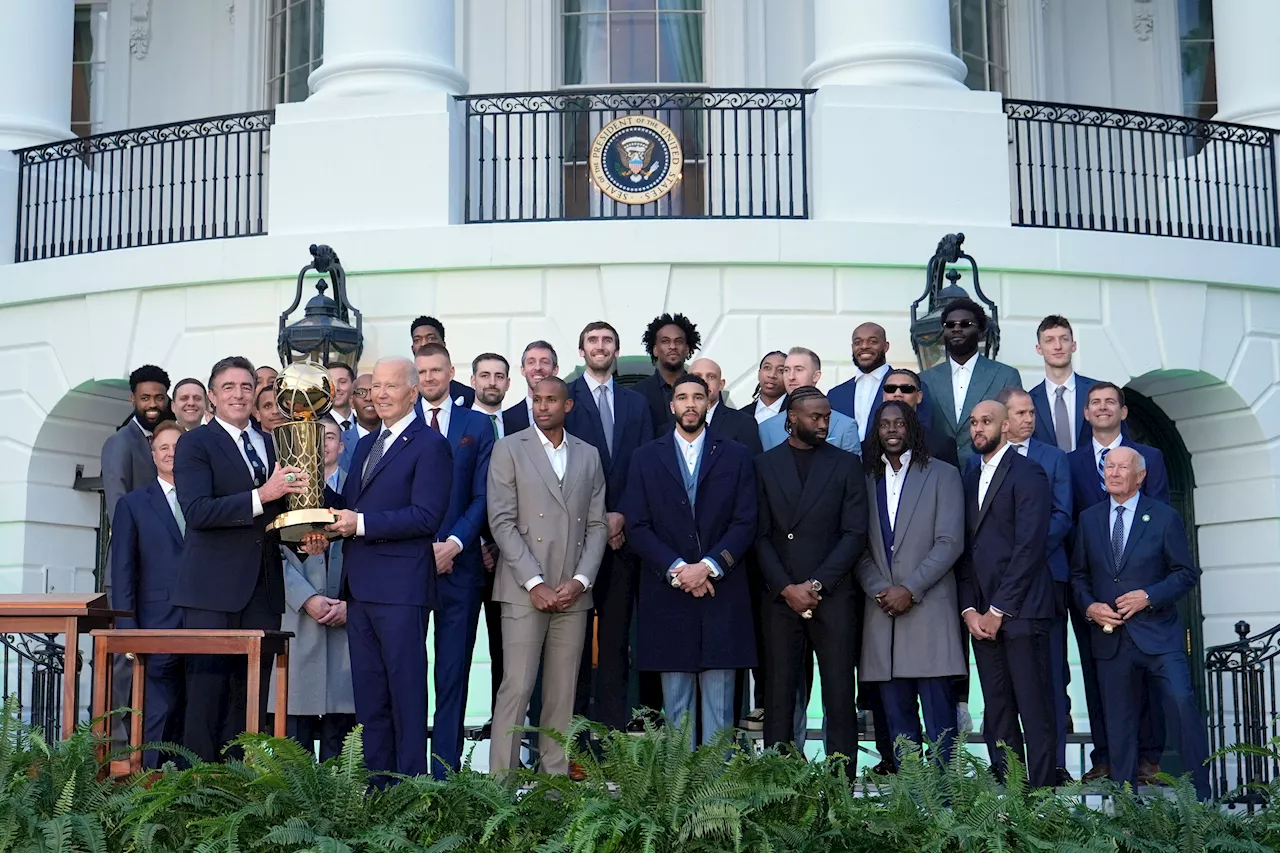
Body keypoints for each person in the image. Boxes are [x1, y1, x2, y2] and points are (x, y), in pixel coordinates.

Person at [172, 356, 308, 763]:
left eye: (246, 387)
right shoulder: (195, 443)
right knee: (206, 695)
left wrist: (308, 537)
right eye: (228, 387)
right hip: (211, 592)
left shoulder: (272, 442)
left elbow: (282, 513)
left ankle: (243, 787)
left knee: (250, 696)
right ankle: (198, 786)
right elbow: (196, 511)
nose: (238, 394)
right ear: (212, 396)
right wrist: (260, 495)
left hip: (263, 589)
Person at [324, 355, 453, 779]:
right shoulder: (364, 444)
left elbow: (425, 517)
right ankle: (378, 790)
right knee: (371, 700)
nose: (379, 394)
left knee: (406, 697)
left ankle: (412, 792)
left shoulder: (431, 445)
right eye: (374, 386)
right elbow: (351, 508)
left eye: (390, 386)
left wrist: (357, 524)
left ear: (412, 393)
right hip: (360, 589)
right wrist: (318, 511)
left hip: (401, 591)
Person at [624, 374, 758, 746]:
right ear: (672, 406)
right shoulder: (646, 457)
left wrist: (710, 566)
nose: (690, 404)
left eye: (698, 397)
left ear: (709, 401)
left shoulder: (735, 454)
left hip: (721, 592)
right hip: (668, 594)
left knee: (720, 706)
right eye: (682, 397)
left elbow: (746, 520)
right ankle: (681, 793)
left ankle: (717, 796)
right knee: (677, 707)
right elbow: (637, 524)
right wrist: (678, 570)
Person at [1070, 446, 1210, 800]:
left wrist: (1148, 595)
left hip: (1159, 634)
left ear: (1141, 476)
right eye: (1109, 466)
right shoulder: (1089, 518)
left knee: (1181, 703)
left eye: (1122, 467)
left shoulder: (1163, 516)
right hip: (1111, 637)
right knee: (1119, 723)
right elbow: (1078, 576)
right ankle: (1124, 805)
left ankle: (1202, 795)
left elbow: (1185, 574)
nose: (1114, 473)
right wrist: (1090, 607)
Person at [486, 376, 607, 776]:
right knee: (516, 689)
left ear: (567, 406)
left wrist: (581, 580)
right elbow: (501, 521)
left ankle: (553, 789)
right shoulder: (508, 448)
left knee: (561, 695)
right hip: (524, 590)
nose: (542, 406)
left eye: (551, 399)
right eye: (536, 399)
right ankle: (498, 789)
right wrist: (534, 583)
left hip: (573, 593)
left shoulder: (588, 454)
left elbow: (597, 525)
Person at [754, 386, 866, 759]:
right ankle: (778, 785)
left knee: (838, 695)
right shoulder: (765, 465)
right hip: (780, 598)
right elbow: (759, 535)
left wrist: (815, 583)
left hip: (832, 595)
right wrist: (787, 587)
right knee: (779, 694)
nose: (823, 424)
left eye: (827, 417)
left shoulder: (846, 464)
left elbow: (855, 533)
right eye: (815, 417)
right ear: (792, 418)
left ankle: (841, 788)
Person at [969, 388, 1074, 781]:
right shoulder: (970, 472)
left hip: (1024, 609)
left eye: (988, 421)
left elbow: (1030, 545)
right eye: (975, 422)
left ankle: (1043, 789)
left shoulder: (1030, 472)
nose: (979, 428)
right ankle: (1009, 784)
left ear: (1008, 425)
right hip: (981, 615)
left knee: (1035, 706)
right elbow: (967, 547)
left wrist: (999, 609)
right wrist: (971, 609)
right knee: (997, 705)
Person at [1067, 381, 1170, 783]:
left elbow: (1162, 520)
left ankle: (1149, 758)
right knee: (1097, 674)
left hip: (1142, 591)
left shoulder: (1152, 458)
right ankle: (1106, 756)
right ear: (1086, 414)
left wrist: (1149, 591)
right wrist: (1089, 597)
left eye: (1111, 401)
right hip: (1093, 591)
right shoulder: (1072, 463)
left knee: (1148, 673)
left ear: (1123, 412)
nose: (1103, 407)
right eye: (1095, 403)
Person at [856, 401, 965, 766]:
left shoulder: (944, 475)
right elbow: (855, 543)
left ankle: (946, 805)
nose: (891, 430)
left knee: (940, 726)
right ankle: (910, 809)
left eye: (898, 423)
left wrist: (910, 588)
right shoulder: (863, 478)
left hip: (928, 613)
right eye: (884, 424)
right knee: (898, 727)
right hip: (881, 614)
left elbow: (950, 541)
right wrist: (879, 588)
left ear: (912, 428)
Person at [564, 321, 655, 734]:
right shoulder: (566, 401)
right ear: (581, 350)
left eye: (607, 341)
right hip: (577, 540)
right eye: (592, 341)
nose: (600, 347)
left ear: (617, 350)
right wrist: (601, 519)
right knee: (576, 644)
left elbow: (647, 468)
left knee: (617, 643)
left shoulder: (636, 404)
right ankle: (574, 739)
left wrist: (621, 516)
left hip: (624, 540)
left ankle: (613, 738)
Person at [413, 344, 496, 778]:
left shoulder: (477, 426)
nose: (428, 378)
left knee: (452, 673)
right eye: (422, 371)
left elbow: (484, 496)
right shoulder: (401, 424)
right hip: (406, 567)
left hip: (459, 568)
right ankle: (406, 772)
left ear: (451, 372)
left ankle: (444, 774)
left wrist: (455, 544)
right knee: (407, 673)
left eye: (436, 370)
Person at [269, 416, 355, 762]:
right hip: (298, 618)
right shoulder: (279, 495)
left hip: (344, 619)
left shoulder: (357, 490)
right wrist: (307, 598)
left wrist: (351, 602)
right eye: (313, 440)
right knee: (295, 726)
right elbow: (271, 553)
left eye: (329, 437)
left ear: (341, 445)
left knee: (343, 726)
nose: (321, 446)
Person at [109, 418, 187, 768]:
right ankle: (149, 786)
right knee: (157, 710)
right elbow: (122, 572)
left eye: (178, 447)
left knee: (193, 711)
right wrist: (127, 631)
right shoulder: (134, 504)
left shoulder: (204, 499)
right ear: (152, 454)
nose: (171, 453)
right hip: (156, 624)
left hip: (205, 622)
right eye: (164, 448)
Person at [920, 297, 1023, 465]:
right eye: (950, 325)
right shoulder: (924, 379)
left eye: (965, 324)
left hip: (988, 472)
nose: (957, 329)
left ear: (981, 332)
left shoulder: (1005, 375)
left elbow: (1013, 429)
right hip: (938, 476)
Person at [828, 323, 933, 439]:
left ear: (886, 346)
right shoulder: (835, 395)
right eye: (858, 342)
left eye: (872, 341)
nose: (864, 346)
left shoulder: (909, 387)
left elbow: (924, 431)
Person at [102, 364, 173, 518]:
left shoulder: (169, 438)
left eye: (159, 398)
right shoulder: (120, 442)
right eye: (145, 398)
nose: (152, 404)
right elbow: (118, 505)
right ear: (133, 400)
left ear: (166, 400)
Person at [759, 348, 861, 453]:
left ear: (816, 376)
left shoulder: (845, 426)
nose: (791, 376)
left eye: (799, 369)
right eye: (786, 370)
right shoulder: (767, 428)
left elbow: (852, 467)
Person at [1029, 315, 1100, 452]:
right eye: (1049, 341)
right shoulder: (1030, 400)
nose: (1058, 346)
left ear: (1073, 346)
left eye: (1064, 339)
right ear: (1039, 349)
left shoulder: (1097, 392)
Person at [868, 368, 959, 469]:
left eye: (907, 389)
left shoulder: (942, 445)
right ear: (884, 396)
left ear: (919, 397)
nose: (897, 394)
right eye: (890, 389)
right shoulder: (868, 446)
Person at [634, 313, 701, 432]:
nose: (672, 346)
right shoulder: (636, 395)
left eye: (679, 341)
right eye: (665, 341)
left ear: (687, 349)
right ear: (655, 350)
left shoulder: (702, 390)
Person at [689, 358, 764, 455]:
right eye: (697, 376)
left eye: (711, 377)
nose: (704, 382)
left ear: (721, 384)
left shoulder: (743, 423)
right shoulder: (671, 425)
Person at [410, 316, 475, 406]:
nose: (424, 344)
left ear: (443, 344)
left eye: (431, 338)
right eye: (417, 340)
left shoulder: (468, 395)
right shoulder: (405, 397)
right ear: (412, 348)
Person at [503, 341, 558, 434]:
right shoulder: (505, 419)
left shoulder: (572, 415)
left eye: (544, 362)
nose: (537, 368)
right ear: (523, 370)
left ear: (555, 370)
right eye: (531, 362)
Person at [339, 372, 380, 473]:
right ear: (351, 402)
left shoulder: (397, 438)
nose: (369, 398)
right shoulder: (338, 441)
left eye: (374, 391)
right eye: (361, 393)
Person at [470, 352, 512, 439]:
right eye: (485, 376)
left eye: (499, 377)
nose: (492, 383)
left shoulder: (519, 428)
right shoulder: (457, 423)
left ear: (508, 384)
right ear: (473, 381)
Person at [741, 351, 787, 425]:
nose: (772, 375)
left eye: (781, 370)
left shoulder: (797, 413)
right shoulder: (741, 415)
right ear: (759, 373)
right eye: (767, 368)